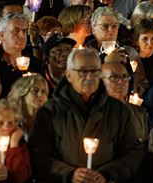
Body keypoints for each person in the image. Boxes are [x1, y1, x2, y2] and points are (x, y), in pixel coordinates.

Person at [30, 48, 144, 182]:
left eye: (94, 71)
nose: (90, 77)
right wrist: (70, 174)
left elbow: (132, 152)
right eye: (83, 71)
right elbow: (38, 155)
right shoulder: (51, 111)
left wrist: (107, 174)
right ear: (69, 75)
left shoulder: (118, 110)